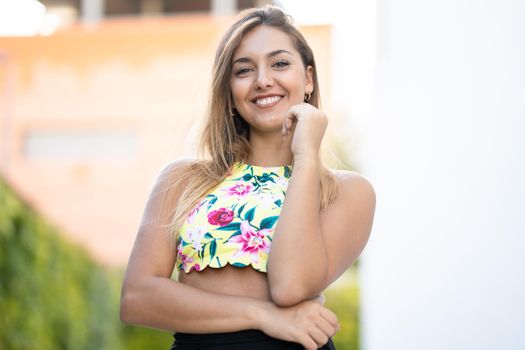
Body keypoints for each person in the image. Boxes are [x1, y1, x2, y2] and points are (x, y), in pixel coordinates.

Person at [120, 5, 375, 350]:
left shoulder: (345, 191)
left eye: (280, 63)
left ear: (309, 79)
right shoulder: (183, 180)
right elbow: (137, 298)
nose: (263, 80)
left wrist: (305, 157)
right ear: (228, 91)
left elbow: (291, 287)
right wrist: (263, 315)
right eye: (244, 70)